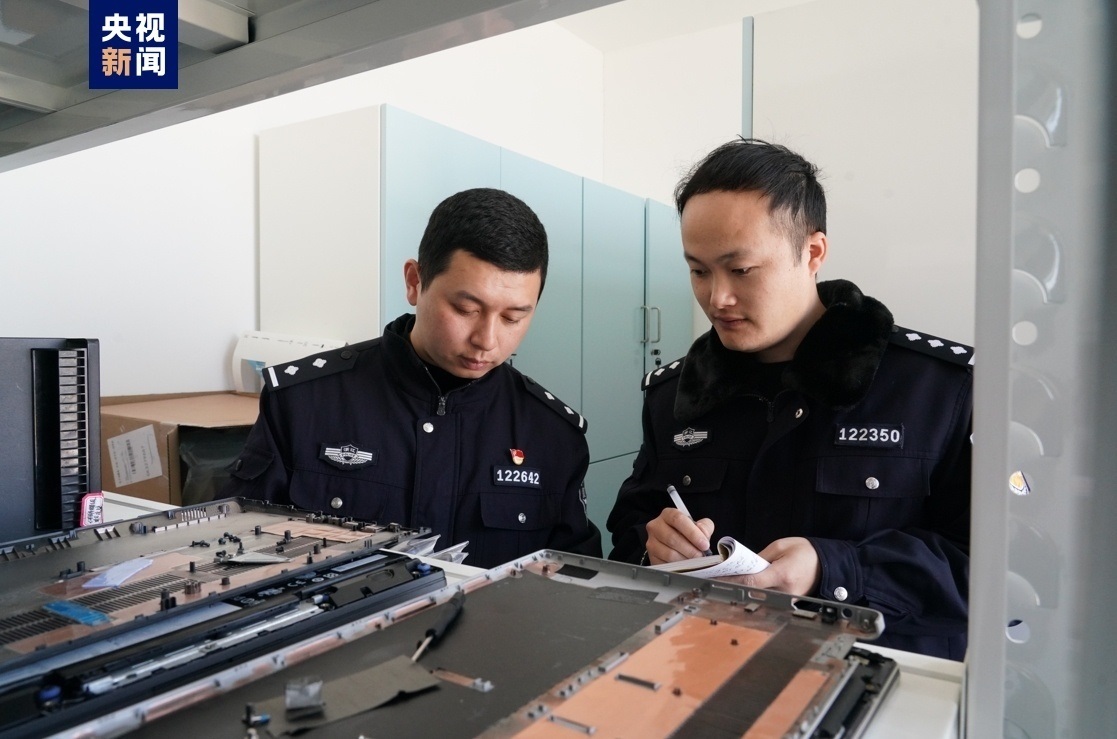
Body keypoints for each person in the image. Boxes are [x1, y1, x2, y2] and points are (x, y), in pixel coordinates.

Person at [606, 139, 972, 660]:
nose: (717, 298)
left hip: (873, 680)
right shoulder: (675, 395)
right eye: (699, 270)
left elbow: (994, 570)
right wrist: (654, 545)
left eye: (741, 270)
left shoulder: (936, 389)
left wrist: (834, 570)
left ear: (813, 252)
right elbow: (631, 529)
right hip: (706, 668)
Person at [224, 187, 601, 568]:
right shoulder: (303, 403)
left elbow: (577, 579)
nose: (487, 340)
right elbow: (232, 555)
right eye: (466, 309)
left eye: (513, 318)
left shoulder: (553, 436)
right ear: (414, 282)